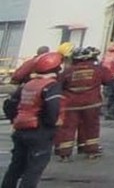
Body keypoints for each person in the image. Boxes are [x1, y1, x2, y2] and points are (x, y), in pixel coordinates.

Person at [2, 51, 64, 188]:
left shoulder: (28, 84)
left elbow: (10, 105)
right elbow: (53, 109)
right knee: (34, 169)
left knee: (16, 166)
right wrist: (51, 125)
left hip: (20, 130)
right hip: (39, 131)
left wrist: (15, 119)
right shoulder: (51, 86)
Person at [53, 47, 110, 161]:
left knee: (68, 128)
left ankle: (64, 153)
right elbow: (108, 80)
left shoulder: (68, 71)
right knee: (91, 127)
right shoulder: (98, 69)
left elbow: (58, 84)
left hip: (71, 105)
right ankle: (91, 151)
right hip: (91, 104)